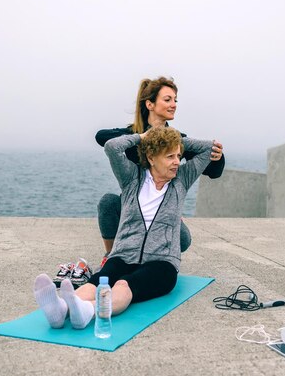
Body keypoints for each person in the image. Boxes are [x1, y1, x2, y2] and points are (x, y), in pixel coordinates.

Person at [33, 125, 215, 329]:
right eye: (169, 156)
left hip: (161, 262)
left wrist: (175, 140)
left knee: (123, 285)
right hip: (123, 255)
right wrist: (143, 137)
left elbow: (209, 148)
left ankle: (88, 311)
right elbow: (112, 146)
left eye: (178, 156)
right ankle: (61, 310)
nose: (176, 162)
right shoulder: (131, 178)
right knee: (96, 282)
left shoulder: (182, 179)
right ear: (152, 157)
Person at [95, 77, 224, 264]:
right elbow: (102, 137)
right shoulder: (134, 134)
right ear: (150, 104)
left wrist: (217, 155)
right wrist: (142, 137)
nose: (173, 105)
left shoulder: (177, 140)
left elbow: (214, 171)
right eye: (167, 99)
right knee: (108, 203)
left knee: (183, 239)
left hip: (163, 207)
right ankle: (112, 256)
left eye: (175, 100)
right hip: (133, 207)